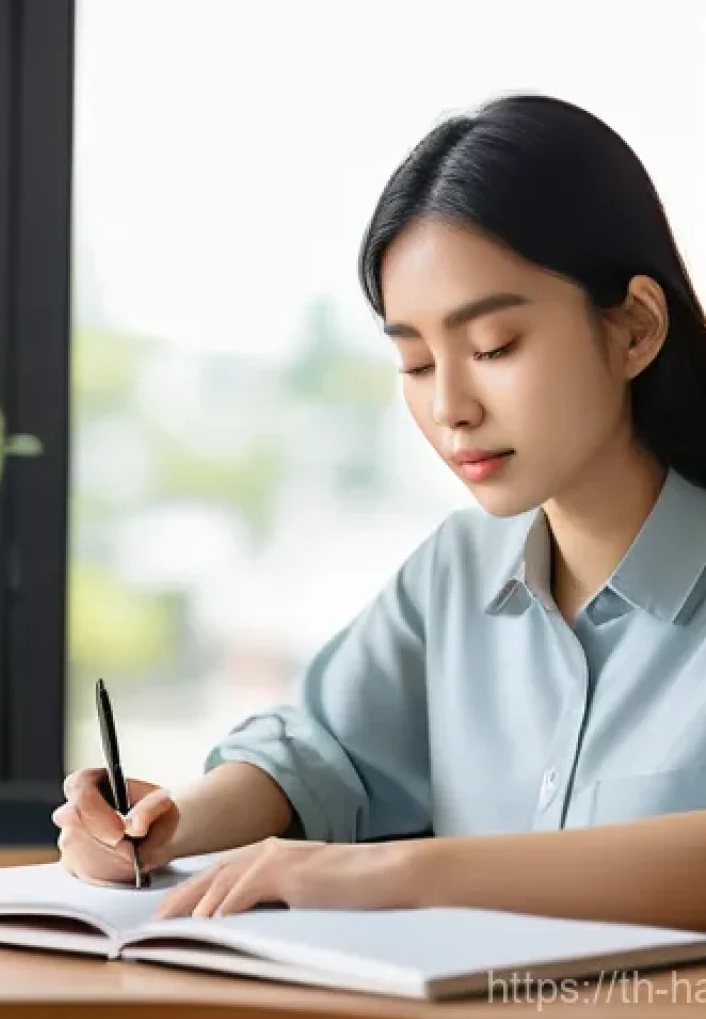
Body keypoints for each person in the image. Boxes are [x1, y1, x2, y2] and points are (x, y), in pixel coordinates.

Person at [53, 93, 706, 930]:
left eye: (493, 347)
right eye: (414, 361)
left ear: (635, 329)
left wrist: (402, 872)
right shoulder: (457, 573)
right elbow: (321, 756)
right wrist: (165, 827)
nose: (451, 407)